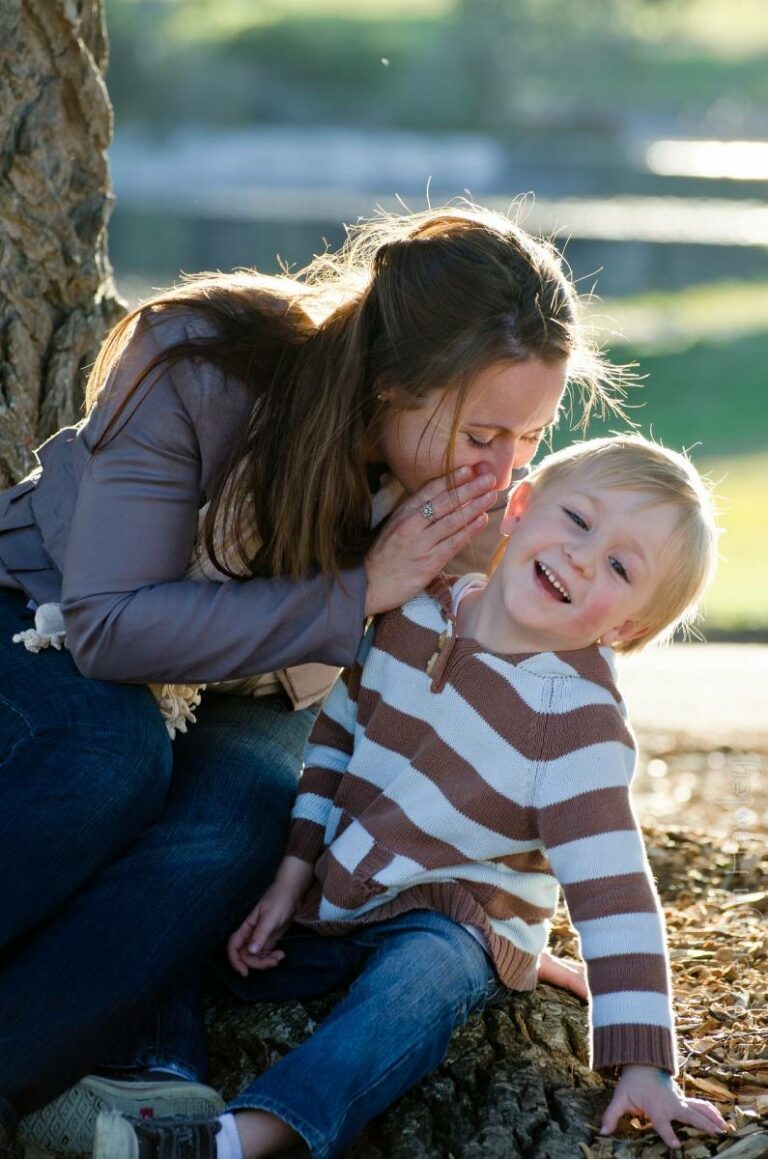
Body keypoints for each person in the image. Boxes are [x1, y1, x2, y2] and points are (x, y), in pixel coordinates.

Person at [0, 204, 619, 1151]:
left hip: (266, 687)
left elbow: (517, 709)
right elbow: (108, 623)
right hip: (44, 619)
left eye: (528, 439)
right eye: (484, 434)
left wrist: (502, 910)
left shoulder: (468, 496)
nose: (502, 472)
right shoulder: (201, 363)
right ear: (390, 384)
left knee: (253, 812)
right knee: (110, 758)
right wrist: (367, 585)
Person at [94, 435, 729, 1159]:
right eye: (578, 520)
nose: (584, 556)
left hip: (457, 914)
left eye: (620, 565)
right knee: (200, 875)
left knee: (430, 975)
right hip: (338, 882)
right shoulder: (419, 611)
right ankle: (162, 1068)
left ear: (625, 628)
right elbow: (334, 736)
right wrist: (292, 871)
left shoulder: (576, 723)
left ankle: (244, 1134)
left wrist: (645, 1062)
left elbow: (615, 892)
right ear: (520, 508)